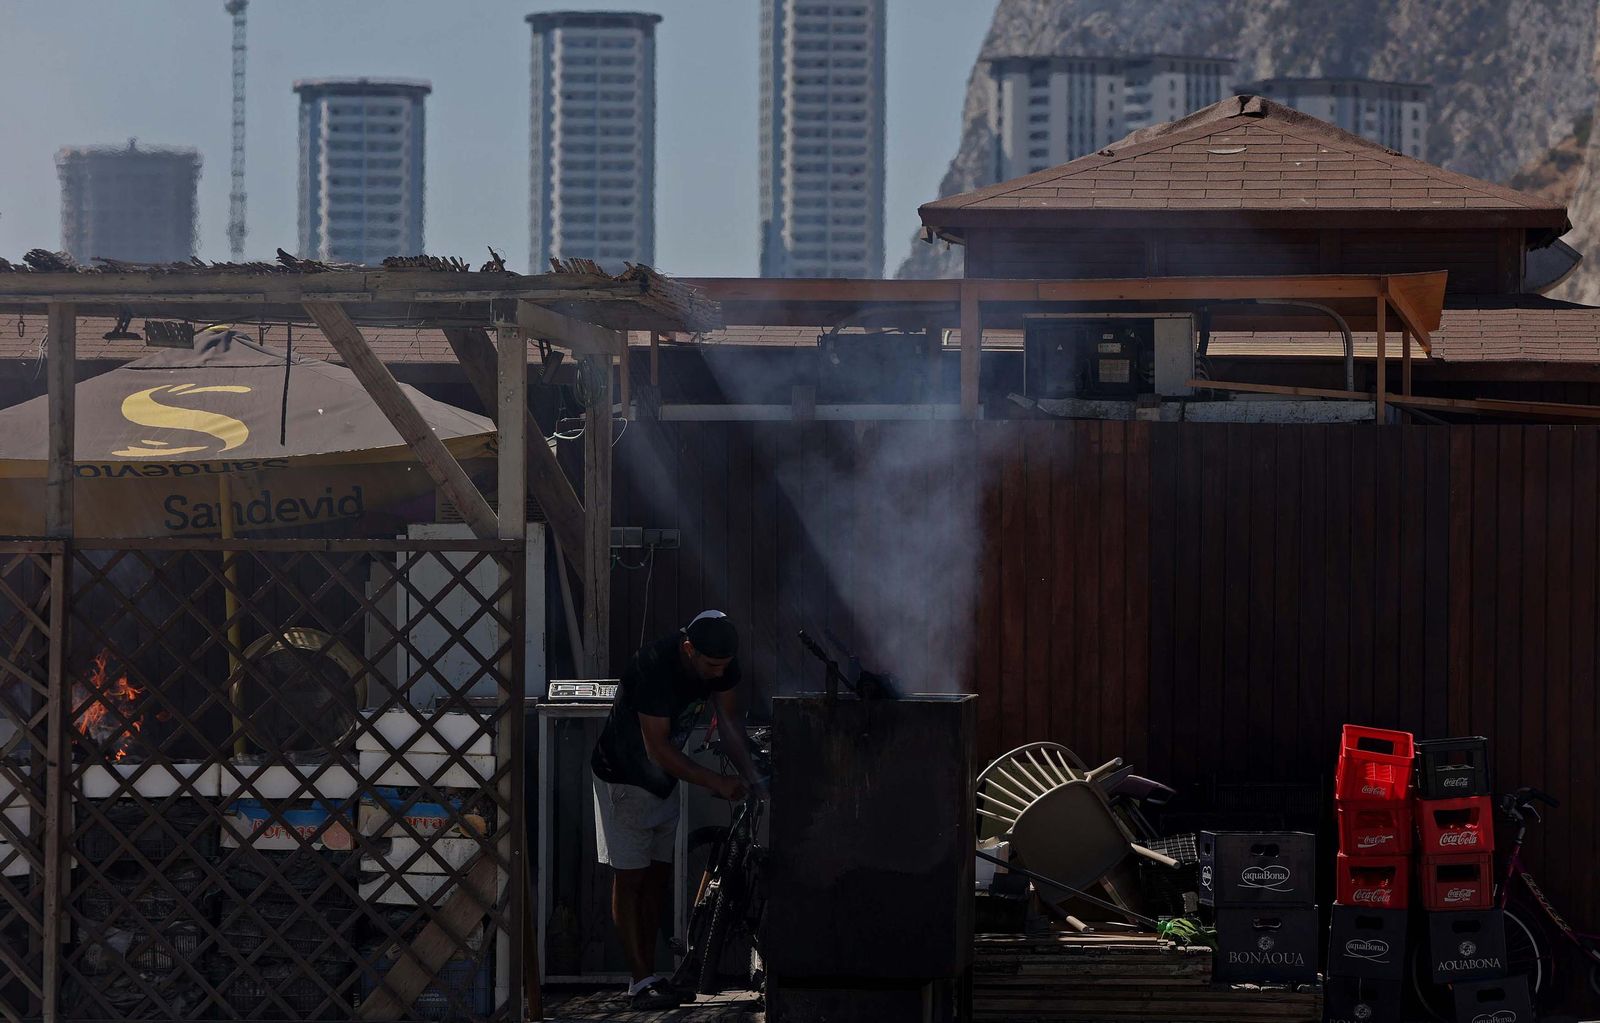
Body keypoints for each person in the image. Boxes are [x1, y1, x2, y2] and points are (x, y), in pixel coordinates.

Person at [590, 610, 763, 1009]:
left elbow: (729, 723)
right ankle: (639, 983)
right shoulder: (654, 667)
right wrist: (716, 782)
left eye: (725, 666)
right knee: (630, 878)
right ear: (688, 649)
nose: (719, 673)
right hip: (623, 778)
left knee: (656, 877)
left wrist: (751, 775)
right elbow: (658, 749)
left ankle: (651, 977)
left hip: (664, 782)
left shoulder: (722, 665)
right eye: (711, 665)